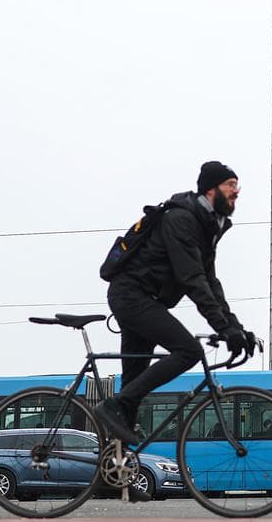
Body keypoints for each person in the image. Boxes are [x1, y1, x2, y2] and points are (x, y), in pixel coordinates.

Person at [93, 162, 254, 448]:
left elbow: (210, 283)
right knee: (188, 350)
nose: (236, 192)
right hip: (131, 296)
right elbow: (191, 278)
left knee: (133, 389)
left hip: (143, 299)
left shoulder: (206, 226)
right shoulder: (182, 219)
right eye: (230, 185)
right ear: (210, 188)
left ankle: (114, 473)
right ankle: (114, 405)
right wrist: (222, 327)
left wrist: (235, 328)